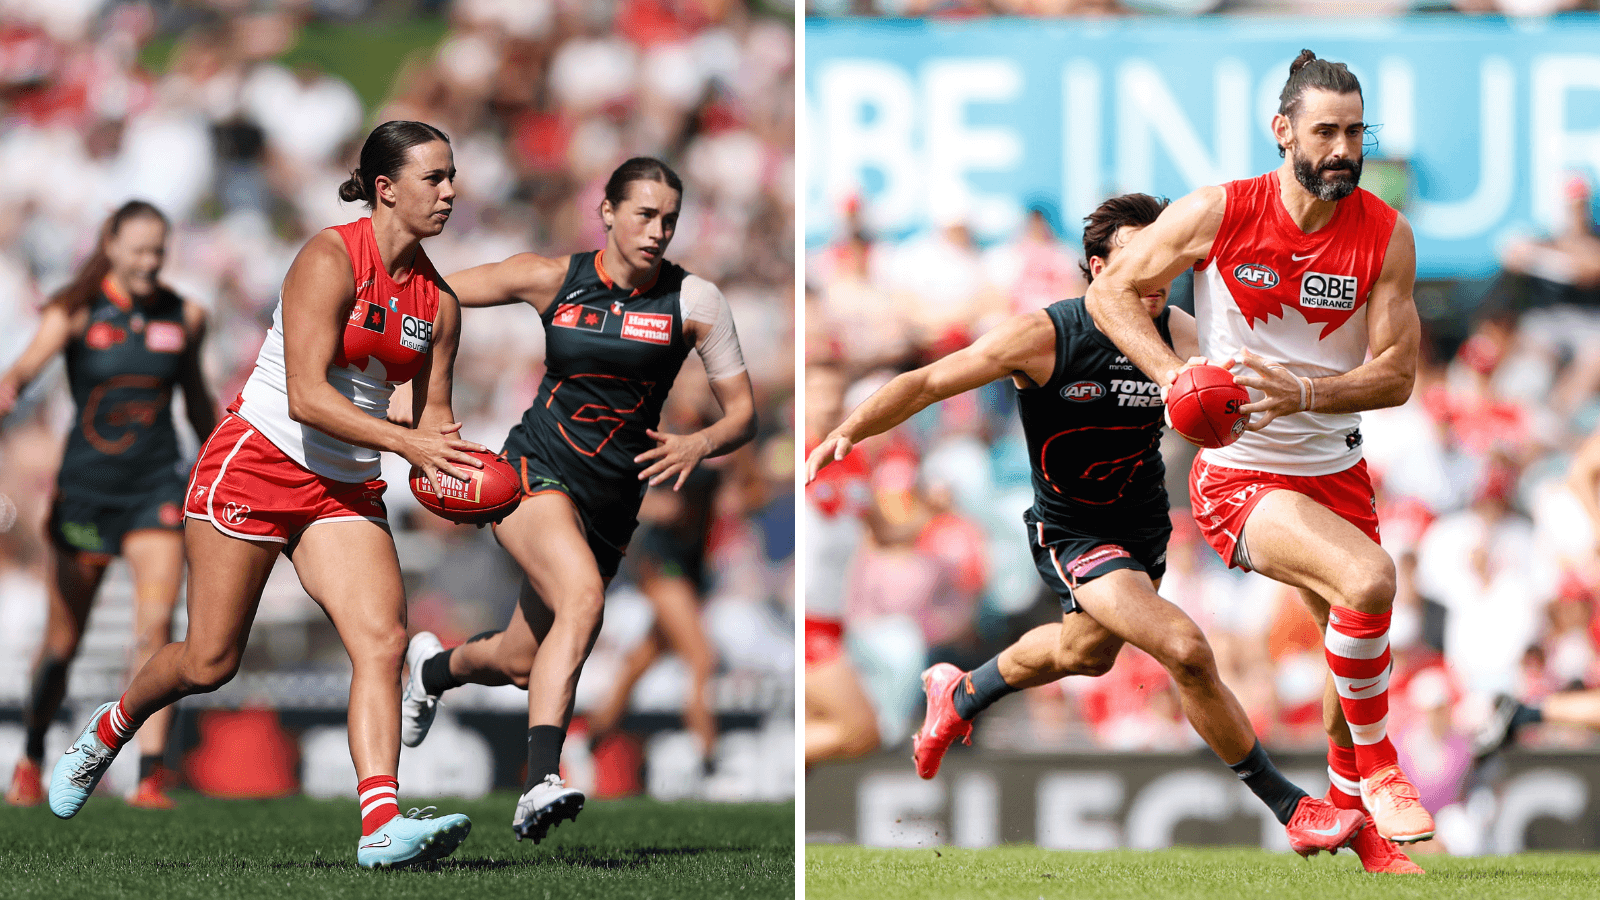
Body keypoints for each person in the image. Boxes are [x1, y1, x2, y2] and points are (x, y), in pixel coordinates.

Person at [806, 193, 1369, 860]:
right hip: (1073, 532)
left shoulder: (1186, 336)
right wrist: (848, 430)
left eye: (1161, 260)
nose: (1154, 275)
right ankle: (1293, 808)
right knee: (1185, 649)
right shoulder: (1046, 336)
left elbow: (1258, 387)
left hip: (1144, 529)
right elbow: (929, 383)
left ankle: (959, 691)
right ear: (1100, 270)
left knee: (1085, 654)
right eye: (1136, 260)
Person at [48, 121, 478, 869]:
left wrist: (461, 476)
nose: (449, 192)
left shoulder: (439, 303)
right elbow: (308, 396)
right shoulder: (327, 258)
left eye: (451, 176)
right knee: (210, 662)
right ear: (385, 189)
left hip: (345, 484)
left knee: (382, 642)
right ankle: (112, 727)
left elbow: (432, 419)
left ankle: (380, 826)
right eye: (433, 178)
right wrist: (409, 444)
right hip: (258, 462)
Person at [1081, 50, 1433, 856]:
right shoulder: (1220, 211)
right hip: (1240, 473)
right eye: (1326, 132)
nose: (1343, 149)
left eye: (1355, 133)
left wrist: (1304, 392)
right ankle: (1382, 768)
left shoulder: (1386, 234)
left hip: (1336, 468)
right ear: (1282, 131)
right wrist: (1173, 375)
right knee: (1371, 580)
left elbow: (1397, 375)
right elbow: (1109, 292)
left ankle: (1353, 827)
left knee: (1354, 646)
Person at [398, 157, 757, 842]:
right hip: (533, 469)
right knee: (584, 599)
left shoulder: (696, 302)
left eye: (670, 219)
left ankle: (432, 669)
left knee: (519, 660)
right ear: (608, 213)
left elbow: (743, 415)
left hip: (612, 506)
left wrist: (700, 442)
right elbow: (431, 293)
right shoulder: (551, 278)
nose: (657, 231)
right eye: (645, 215)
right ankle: (539, 780)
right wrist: (422, 389)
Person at [1, 201, 217, 811]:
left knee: (156, 627)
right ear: (111, 245)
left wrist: (223, 459)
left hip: (157, 491)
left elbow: (197, 402)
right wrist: (9, 390)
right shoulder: (73, 311)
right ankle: (32, 755)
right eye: (139, 249)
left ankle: (149, 775)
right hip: (85, 496)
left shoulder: (186, 316)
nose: (150, 262)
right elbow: (23, 372)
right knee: (62, 644)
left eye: (159, 251)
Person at [803, 362, 881, 768]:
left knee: (819, 729)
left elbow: (879, 525)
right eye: (819, 392)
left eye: (836, 393)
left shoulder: (856, 459)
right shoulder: (793, 454)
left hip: (835, 617)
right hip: (806, 620)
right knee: (861, 731)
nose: (830, 402)